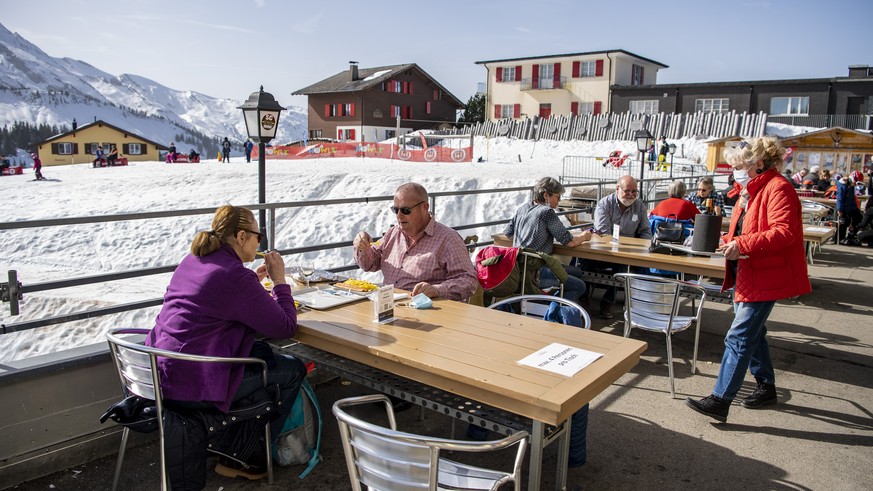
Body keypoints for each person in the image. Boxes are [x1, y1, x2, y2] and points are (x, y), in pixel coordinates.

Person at [145, 204, 306, 478]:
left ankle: (232, 445)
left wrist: (251, 284)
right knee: (292, 369)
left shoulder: (193, 260)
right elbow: (285, 327)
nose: (260, 243)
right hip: (195, 383)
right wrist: (279, 280)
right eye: (258, 237)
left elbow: (211, 301)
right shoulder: (234, 276)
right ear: (241, 237)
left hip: (162, 370)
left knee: (261, 352)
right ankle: (246, 458)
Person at [686, 137, 811, 422]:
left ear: (757, 164)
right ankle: (766, 387)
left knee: (739, 336)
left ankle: (721, 399)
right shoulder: (751, 189)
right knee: (754, 333)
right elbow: (748, 229)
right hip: (749, 271)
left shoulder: (779, 188)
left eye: (739, 166)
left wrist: (742, 245)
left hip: (766, 274)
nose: (735, 172)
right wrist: (728, 241)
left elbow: (783, 232)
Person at [353, 182, 478, 301]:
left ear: (425, 207)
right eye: (396, 210)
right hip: (389, 306)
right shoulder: (393, 233)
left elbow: (468, 280)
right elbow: (369, 264)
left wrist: (437, 290)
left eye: (406, 210)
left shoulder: (448, 239)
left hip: (428, 312)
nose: (399, 215)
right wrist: (362, 247)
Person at [503, 177, 593, 304]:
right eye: (557, 196)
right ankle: (554, 312)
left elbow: (508, 233)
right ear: (546, 195)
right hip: (537, 272)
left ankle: (554, 302)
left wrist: (529, 237)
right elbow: (570, 242)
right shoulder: (547, 212)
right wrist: (584, 236)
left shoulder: (522, 208)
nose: (559, 200)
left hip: (519, 269)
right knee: (580, 286)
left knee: (577, 272)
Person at [587, 175, 652, 319]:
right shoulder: (604, 204)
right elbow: (603, 231)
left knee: (623, 265)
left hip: (628, 251)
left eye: (634, 192)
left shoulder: (639, 206)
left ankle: (608, 301)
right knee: (584, 261)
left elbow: (645, 231)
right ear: (617, 189)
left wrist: (644, 245)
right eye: (627, 191)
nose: (631, 195)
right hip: (603, 249)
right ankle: (584, 298)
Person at [836, 173, 862, 243]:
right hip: (845, 207)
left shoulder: (851, 186)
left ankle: (852, 234)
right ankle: (840, 238)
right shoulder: (843, 186)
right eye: (856, 183)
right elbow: (840, 199)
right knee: (844, 222)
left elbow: (853, 198)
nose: (856, 185)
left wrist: (856, 207)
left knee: (859, 218)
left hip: (852, 206)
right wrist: (840, 210)